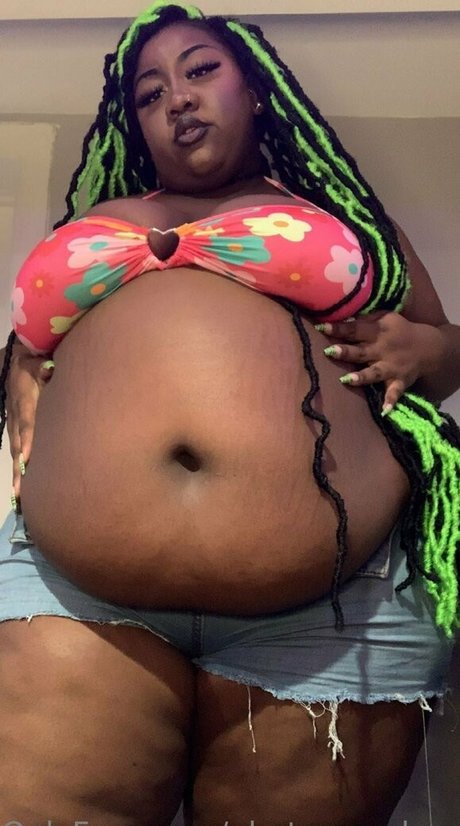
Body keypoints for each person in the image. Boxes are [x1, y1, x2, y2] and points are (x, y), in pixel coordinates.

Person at [0, 3, 459, 823]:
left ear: (254, 89)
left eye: (201, 70)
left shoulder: (341, 214)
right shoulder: (101, 213)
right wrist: (19, 372)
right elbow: (35, 341)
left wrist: (427, 350)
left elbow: (442, 352)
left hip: (328, 609)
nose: (175, 98)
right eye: (149, 93)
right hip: (75, 595)